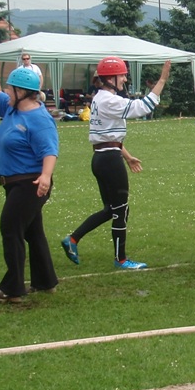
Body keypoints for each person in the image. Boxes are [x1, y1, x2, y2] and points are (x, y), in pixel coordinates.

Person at [61, 57, 171, 270]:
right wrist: (162, 79)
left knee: (111, 209)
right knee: (120, 209)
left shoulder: (99, 98)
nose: (124, 79)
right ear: (110, 78)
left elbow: (108, 137)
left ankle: (73, 239)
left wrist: (127, 156)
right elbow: (143, 106)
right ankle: (120, 259)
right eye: (122, 75)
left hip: (103, 157)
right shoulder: (109, 100)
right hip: (110, 160)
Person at [0, 39, 59, 303]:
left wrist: (45, 177)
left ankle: (12, 288)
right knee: (32, 231)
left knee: (11, 228)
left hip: (31, 183)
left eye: (10, 88)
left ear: (22, 91)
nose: (6, 91)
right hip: (15, 183)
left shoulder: (39, 118)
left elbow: (50, 151)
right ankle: (45, 281)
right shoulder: (11, 108)